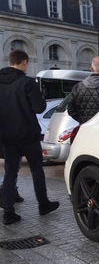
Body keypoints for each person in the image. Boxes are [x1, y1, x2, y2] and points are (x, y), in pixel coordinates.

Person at [0, 50, 59, 225]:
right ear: (24, 63)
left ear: (10, 62)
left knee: (10, 173)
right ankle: (43, 205)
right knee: (36, 170)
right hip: (28, 135)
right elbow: (39, 107)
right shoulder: (27, 82)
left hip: (7, 136)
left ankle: (8, 213)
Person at [67, 56, 99, 124]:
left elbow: (70, 110)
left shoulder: (78, 87)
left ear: (91, 68)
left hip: (84, 128)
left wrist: (82, 120)